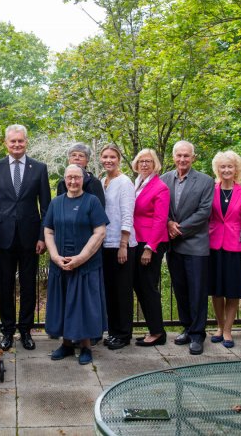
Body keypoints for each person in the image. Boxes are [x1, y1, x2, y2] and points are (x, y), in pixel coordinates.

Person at [0, 124, 51, 351]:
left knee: (28, 285)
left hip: (31, 238)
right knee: (4, 286)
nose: (16, 145)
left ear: (26, 142)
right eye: (12, 141)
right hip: (2, 237)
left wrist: (43, 236)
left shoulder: (39, 168)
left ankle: (25, 330)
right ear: (6, 143)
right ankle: (7, 329)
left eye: (20, 141)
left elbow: (46, 207)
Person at [44, 165, 109, 365]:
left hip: (85, 264)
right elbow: (48, 231)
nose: (73, 182)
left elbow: (100, 232)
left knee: (84, 306)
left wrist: (81, 258)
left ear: (83, 179)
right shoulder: (56, 203)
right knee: (63, 303)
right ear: (64, 179)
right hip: (60, 264)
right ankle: (66, 345)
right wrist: (55, 256)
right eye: (69, 178)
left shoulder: (92, 201)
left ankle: (86, 346)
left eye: (77, 178)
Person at [161, 140, 214, 355]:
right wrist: (167, 224)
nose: (182, 159)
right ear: (173, 157)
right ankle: (187, 327)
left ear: (193, 157)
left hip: (195, 246)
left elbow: (204, 212)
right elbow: (160, 208)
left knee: (197, 291)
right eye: (179, 155)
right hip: (173, 247)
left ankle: (198, 334)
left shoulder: (205, 181)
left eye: (186, 155)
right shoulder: (164, 180)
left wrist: (178, 228)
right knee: (181, 290)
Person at [207, 150, 241, 349]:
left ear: (236, 169)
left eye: (230, 166)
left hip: (236, 246)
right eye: (223, 166)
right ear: (217, 169)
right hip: (214, 244)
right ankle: (218, 326)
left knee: (232, 291)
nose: (226, 170)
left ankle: (228, 330)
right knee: (216, 290)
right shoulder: (211, 189)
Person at [98, 144, 137, 350]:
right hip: (104, 243)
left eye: (112, 157)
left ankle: (123, 334)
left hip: (121, 243)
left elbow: (127, 213)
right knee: (110, 291)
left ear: (119, 159)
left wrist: (123, 243)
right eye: (105, 157)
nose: (108, 160)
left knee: (122, 291)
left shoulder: (125, 182)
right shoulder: (102, 181)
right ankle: (113, 332)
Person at [130, 149, 170, 347]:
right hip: (137, 240)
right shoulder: (137, 183)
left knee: (148, 288)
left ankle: (157, 332)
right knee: (140, 286)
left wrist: (149, 248)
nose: (144, 164)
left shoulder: (160, 187)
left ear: (155, 165)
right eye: (141, 161)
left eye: (149, 161)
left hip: (150, 242)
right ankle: (153, 328)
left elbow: (161, 220)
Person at [55, 142, 105, 207]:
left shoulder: (95, 183)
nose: (77, 158)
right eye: (73, 155)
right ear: (69, 160)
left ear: (87, 161)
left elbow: (100, 209)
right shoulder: (62, 183)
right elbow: (58, 208)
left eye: (81, 156)